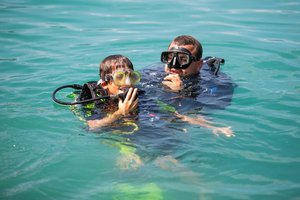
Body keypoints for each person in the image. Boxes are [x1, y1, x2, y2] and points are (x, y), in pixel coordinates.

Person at [158, 35, 234, 136]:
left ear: (199, 65)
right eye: (170, 57)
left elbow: (196, 116)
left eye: (183, 59)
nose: (174, 65)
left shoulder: (214, 84)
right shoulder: (152, 73)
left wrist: (178, 93)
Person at [86, 55, 140, 130]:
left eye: (132, 76)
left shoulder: (139, 95)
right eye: (120, 77)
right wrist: (120, 113)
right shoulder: (95, 100)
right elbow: (92, 126)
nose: (128, 83)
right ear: (104, 84)